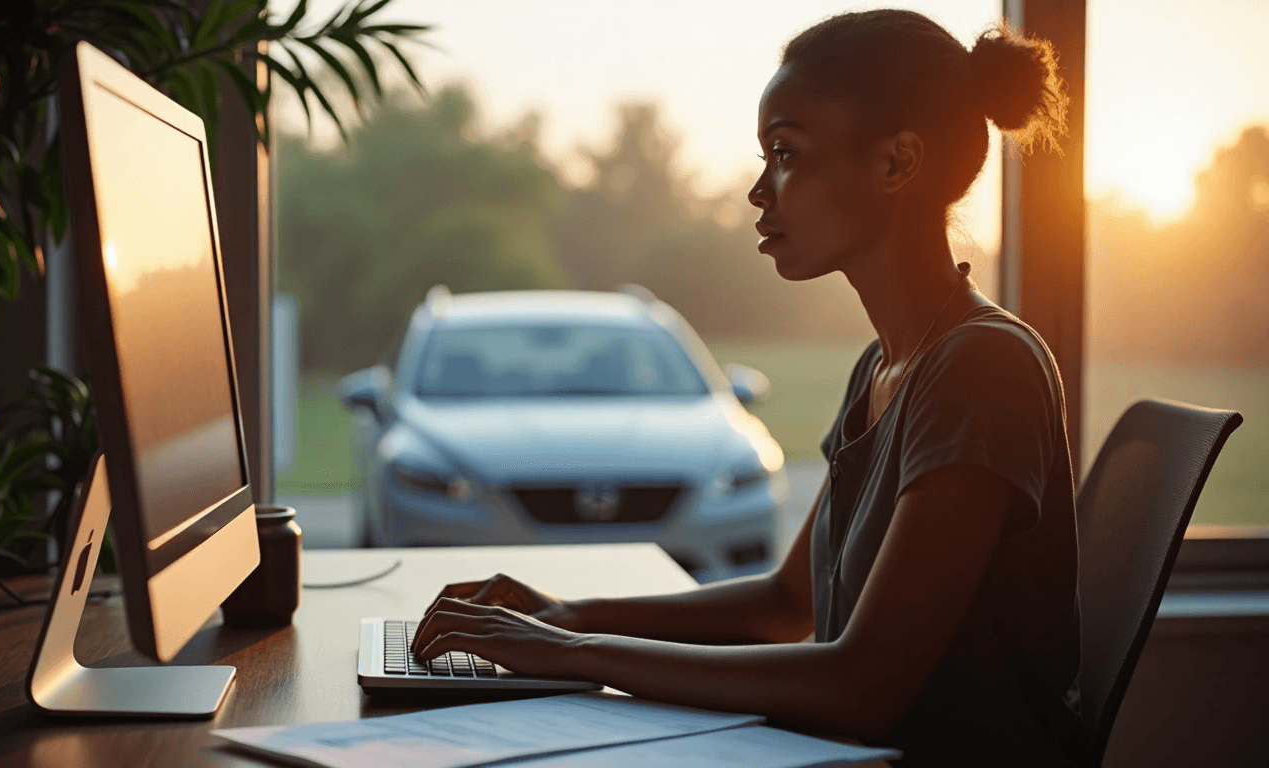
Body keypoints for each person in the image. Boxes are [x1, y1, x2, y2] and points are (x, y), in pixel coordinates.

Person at [411, 9, 1081, 766]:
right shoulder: (885, 365)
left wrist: (575, 653)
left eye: (786, 153)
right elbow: (785, 604)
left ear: (897, 163)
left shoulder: (981, 367)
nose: (759, 191)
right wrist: (567, 616)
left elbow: (862, 683)